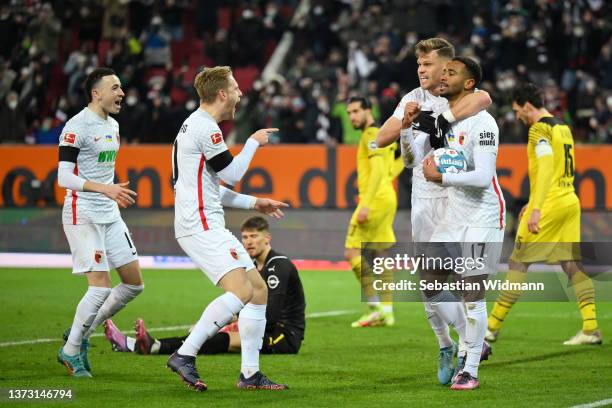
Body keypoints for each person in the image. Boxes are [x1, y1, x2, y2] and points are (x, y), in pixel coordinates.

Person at [375, 37, 492, 385]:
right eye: (419, 65)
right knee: (429, 282)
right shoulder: (413, 98)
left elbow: (485, 98)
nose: (422, 70)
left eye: (428, 65)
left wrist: (443, 118)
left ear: (448, 66)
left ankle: (467, 351)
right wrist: (411, 121)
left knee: (464, 279)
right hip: (425, 197)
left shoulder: (464, 95)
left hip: (460, 195)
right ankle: (449, 343)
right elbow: (381, 138)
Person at [168, 65, 289, 392]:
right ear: (222, 93)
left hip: (203, 220)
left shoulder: (192, 126)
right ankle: (185, 354)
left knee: (258, 291)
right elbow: (233, 173)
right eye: (235, 88)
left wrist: (255, 203)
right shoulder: (207, 129)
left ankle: (250, 374)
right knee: (242, 292)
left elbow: (208, 188)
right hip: (201, 224)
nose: (240, 93)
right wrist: (253, 142)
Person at [486, 83, 602, 346]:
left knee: (518, 262)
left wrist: (537, 207)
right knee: (572, 265)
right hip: (569, 200)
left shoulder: (538, 129)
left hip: (549, 205)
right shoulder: (562, 127)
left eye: (517, 110)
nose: (517, 116)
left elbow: (547, 164)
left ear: (527, 105)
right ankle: (591, 328)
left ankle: (490, 328)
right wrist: (533, 200)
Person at [104, 216, 306, 355]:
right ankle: (143, 345)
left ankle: (153, 346)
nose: (248, 242)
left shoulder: (278, 266)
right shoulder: (253, 266)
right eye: (245, 237)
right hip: (262, 327)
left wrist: (229, 324)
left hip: (283, 336)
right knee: (209, 331)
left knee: (220, 340)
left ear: (267, 238)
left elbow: (270, 316)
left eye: (254, 236)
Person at [422, 57, 506, 390]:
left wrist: (442, 177)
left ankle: (469, 368)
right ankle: (473, 341)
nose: (444, 77)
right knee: (429, 283)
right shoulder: (447, 122)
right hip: (454, 214)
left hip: (484, 215)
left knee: (472, 292)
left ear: (469, 83)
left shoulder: (484, 124)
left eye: (451, 73)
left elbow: (484, 177)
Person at [56, 67, 144, 378]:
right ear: (97, 93)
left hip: (109, 212)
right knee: (100, 288)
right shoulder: (76, 126)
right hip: (83, 213)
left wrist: (111, 189)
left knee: (134, 283)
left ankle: (79, 331)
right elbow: (64, 176)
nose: (122, 93)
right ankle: (70, 352)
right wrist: (105, 188)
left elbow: (102, 170)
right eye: (115, 88)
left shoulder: (114, 125)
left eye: (121, 88)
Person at [343, 95, 403, 328]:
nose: (352, 117)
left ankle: (374, 307)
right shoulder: (384, 134)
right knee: (380, 255)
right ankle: (387, 311)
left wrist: (366, 203)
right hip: (387, 196)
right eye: (349, 113)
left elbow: (378, 171)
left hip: (374, 199)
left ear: (368, 110)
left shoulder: (371, 135)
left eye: (356, 111)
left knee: (352, 252)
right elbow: (393, 167)